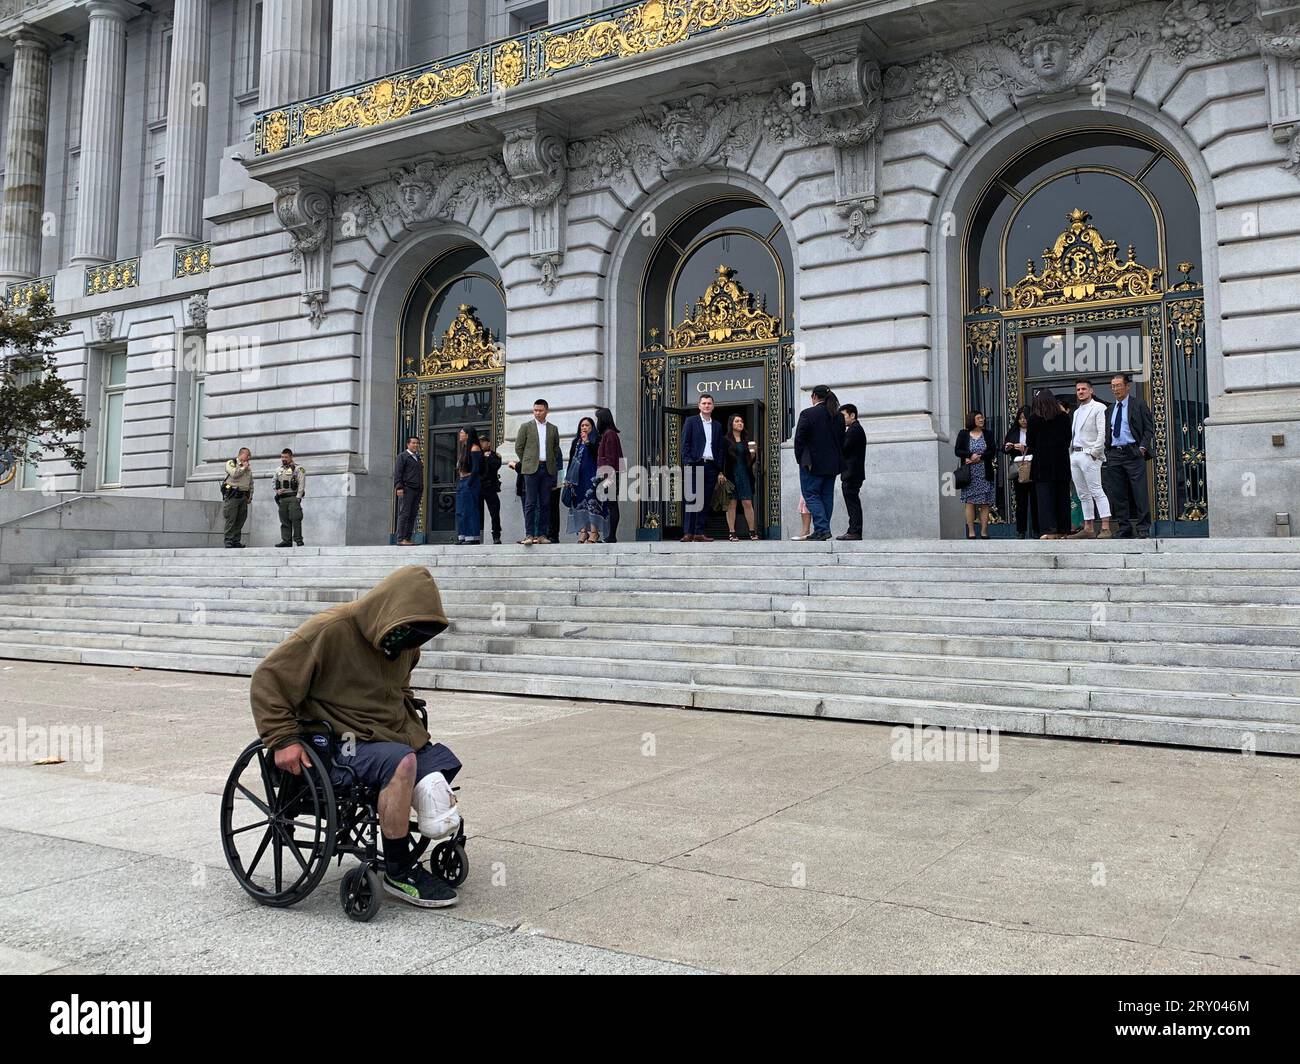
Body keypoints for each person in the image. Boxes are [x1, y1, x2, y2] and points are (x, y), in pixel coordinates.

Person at [250, 566, 461, 909]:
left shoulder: (407, 644)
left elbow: (399, 683)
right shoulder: (329, 630)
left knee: (434, 772)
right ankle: (398, 869)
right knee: (401, 762)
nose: (409, 642)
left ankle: (429, 831)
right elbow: (268, 680)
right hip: (335, 742)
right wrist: (282, 739)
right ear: (388, 612)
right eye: (406, 631)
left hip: (385, 733)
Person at [1103, 373, 1155, 539]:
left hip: (1133, 452)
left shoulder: (1138, 404)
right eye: (1113, 386)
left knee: (1139, 492)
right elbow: (1107, 431)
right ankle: (1124, 527)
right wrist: (1107, 449)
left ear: (1127, 386)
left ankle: (1143, 527)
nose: (1115, 389)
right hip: (1114, 454)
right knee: (1118, 494)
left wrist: (1142, 447)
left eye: (1118, 385)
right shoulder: (1110, 409)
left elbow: (1149, 429)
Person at [792, 385, 845, 541]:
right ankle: (823, 529)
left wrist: (800, 460)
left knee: (811, 495)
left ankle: (822, 529)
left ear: (814, 396)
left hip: (812, 464)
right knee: (826, 496)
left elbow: (799, 440)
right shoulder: (839, 416)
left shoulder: (808, 413)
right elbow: (841, 440)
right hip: (833, 463)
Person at [510, 399, 561, 544]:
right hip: (531, 469)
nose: (537, 413)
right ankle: (529, 535)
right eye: (535, 410)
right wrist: (528, 461)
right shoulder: (526, 427)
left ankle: (542, 535)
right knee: (530, 503)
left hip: (547, 469)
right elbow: (519, 447)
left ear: (547, 411)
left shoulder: (553, 429)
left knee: (545, 503)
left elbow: (555, 449)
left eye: (540, 410)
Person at [1068, 379, 1112, 539]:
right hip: (1076, 454)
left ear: (1091, 391)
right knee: (1082, 494)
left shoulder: (1099, 408)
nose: (1080, 391)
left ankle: (1106, 527)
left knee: (1096, 490)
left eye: (1083, 389)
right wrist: (1071, 454)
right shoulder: (1077, 411)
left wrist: (1095, 452)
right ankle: (1088, 527)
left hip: (1089, 454)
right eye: (1078, 389)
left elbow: (1102, 432)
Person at [679, 393, 726, 542]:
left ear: (713, 406)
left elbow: (720, 448)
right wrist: (688, 462)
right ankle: (688, 532)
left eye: (709, 403)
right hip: (695, 465)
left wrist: (719, 469)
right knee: (692, 499)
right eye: (704, 403)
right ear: (699, 406)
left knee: (705, 501)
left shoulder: (717, 425)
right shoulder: (691, 421)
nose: (706, 405)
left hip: (711, 466)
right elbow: (685, 443)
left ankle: (699, 533)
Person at [1026, 388, 1072, 539]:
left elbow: (1030, 442)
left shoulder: (1033, 419)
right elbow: (1067, 439)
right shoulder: (1064, 418)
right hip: (1061, 462)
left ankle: (1049, 530)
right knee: (1062, 497)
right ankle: (1063, 529)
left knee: (1045, 499)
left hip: (1042, 463)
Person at [955, 411, 996, 540]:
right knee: (970, 502)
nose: (982, 420)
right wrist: (969, 455)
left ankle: (984, 531)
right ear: (972, 419)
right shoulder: (963, 434)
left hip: (984, 472)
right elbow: (957, 450)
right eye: (978, 418)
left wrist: (981, 457)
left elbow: (992, 450)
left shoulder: (988, 434)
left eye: (982, 418)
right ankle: (971, 532)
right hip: (969, 474)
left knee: (984, 502)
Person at [564, 416, 606, 542]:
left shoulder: (597, 440)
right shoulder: (575, 442)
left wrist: (587, 442)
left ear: (592, 427)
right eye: (582, 425)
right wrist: (567, 478)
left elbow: (597, 455)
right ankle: (583, 531)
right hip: (578, 478)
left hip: (592, 476)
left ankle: (594, 532)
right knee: (579, 503)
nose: (584, 427)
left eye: (587, 425)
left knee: (592, 503)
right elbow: (571, 461)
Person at [721, 414, 759, 541]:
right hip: (731, 475)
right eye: (737, 421)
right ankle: (732, 532)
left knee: (747, 502)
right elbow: (722, 458)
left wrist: (753, 455)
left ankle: (752, 531)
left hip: (744, 475)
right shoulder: (725, 440)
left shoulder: (746, 440)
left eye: (741, 421)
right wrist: (720, 473)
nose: (740, 423)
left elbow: (750, 461)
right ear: (731, 424)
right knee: (732, 504)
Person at [1003, 406, 1038, 539]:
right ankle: (1020, 530)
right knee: (1020, 501)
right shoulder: (1013, 431)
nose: (1023, 421)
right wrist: (1008, 447)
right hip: (1019, 470)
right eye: (1020, 418)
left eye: (1025, 418)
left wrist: (1025, 448)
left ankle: (1036, 529)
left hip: (1033, 468)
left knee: (1035, 501)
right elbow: (1004, 448)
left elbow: (1039, 448)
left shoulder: (1034, 431)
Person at [594, 407, 623, 543]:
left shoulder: (609, 434)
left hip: (610, 475)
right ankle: (610, 535)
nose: (597, 422)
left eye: (598, 419)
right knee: (612, 504)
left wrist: (608, 478)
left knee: (612, 505)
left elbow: (611, 458)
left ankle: (612, 535)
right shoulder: (609, 434)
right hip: (612, 475)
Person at [839, 403, 865, 540]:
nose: (841, 419)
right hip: (853, 472)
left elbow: (843, 448)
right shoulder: (854, 429)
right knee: (852, 503)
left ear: (852, 415)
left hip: (852, 473)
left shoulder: (854, 430)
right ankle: (853, 529)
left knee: (852, 503)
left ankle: (855, 531)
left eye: (843, 416)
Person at [273, 448, 307, 548]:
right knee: (284, 520)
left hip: (293, 496)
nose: (284, 459)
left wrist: (298, 497)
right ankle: (286, 540)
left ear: (291, 457)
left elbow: (301, 483)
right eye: (282, 457)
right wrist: (276, 491)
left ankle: (298, 539)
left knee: (296, 518)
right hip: (282, 498)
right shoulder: (278, 469)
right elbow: (273, 482)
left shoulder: (298, 469)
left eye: (286, 457)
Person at [454, 427, 483, 545]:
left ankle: (472, 536)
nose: (460, 435)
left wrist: (469, 482)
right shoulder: (464, 448)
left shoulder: (474, 448)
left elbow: (476, 468)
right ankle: (462, 536)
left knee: (470, 509)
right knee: (461, 510)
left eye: (462, 433)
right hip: (462, 481)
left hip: (470, 481)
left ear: (468, 435)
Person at [394, 436, 424, 546]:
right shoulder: (403, 456)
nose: (416, 445)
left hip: (417, 489)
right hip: (407, 489)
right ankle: (400, 538)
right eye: (413, 443)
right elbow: (398, 473)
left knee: (412, 514)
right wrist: (399, 487)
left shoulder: (417, 458)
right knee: (405, 514)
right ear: (408, 444)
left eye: (417, 443)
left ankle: (407, 538)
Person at [222, 447, 254, 549]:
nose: (249, 457)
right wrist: (243, 468)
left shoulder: (248, 468)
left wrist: (250, 496)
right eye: (247, 455)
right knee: (231, 519)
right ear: (241, 454)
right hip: (233, 495)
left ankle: (236, 540)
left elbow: (251, 483)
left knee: (241, 519)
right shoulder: (231, 463)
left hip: (243, 496)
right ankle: (228, 540)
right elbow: (234, 474)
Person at [478, 434, 503, 545]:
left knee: (494, 513)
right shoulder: (476, 455)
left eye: (484, 442)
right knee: (477, 513)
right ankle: (476, 535)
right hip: (478, 488)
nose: (481, 444)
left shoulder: (495, 455)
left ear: (488, 443)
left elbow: (495, 466)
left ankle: (496, 536)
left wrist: (487, 458)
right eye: (480, 442)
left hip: (490, 488)